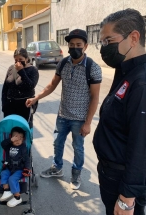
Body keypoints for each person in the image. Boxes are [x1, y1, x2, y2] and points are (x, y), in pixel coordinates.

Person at [93, 8, 146, 215]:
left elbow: (145, 147)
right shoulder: (129, 72)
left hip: (124, 180)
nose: (104, 47)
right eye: (102, 42)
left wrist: (127, 198)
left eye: (108, 40)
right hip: (115, 173)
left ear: (133, 37)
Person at [26, 29, 102, 190]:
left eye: (78, 45)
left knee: (78, 148)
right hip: (62, 115)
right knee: (57, 143)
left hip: (80, 118)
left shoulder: (93, 68)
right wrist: (35, 98)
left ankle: (76, 174)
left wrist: (88, 122)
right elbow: (52, 85)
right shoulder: (63, 63)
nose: (75, 47)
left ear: (86, 46)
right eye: (72, 44)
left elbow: (95, 97)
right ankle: (57, 168)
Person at [1, 48, 39, 127]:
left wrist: (21, 71)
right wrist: (4, 105)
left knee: (23, 132)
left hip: (25, 107)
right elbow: (5, 88)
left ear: (26, 59)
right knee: (10, 131)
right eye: (16, 60)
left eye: (20, 59)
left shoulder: (33, 70)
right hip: (10, 106)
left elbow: (30, 86)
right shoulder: (11, 68)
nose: (18, 62)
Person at [0, 127, 31, 207]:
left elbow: (27, 159)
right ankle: (6, 191)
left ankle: (17, 198)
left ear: (23, 139)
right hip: (9, 167)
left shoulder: (23, 148)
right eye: (15, 137)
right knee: (3, 173)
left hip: (19, 169)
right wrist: (10, 141)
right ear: (11, 137)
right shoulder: (8, 146)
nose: (17, 140)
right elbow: (2, 144)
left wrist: (27, 169)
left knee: (12, 179)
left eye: (20, 138)